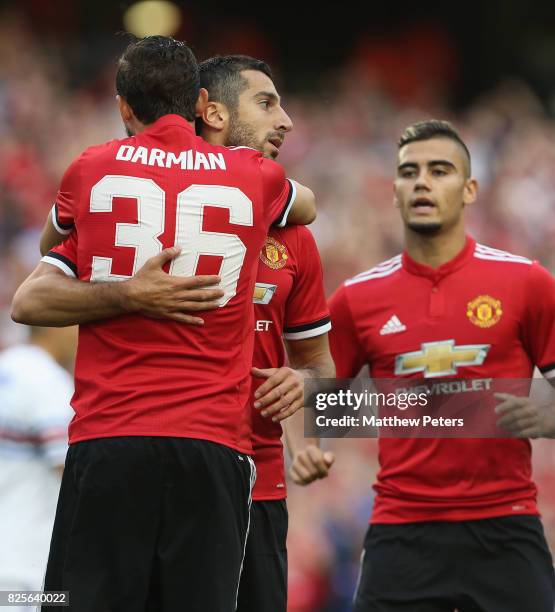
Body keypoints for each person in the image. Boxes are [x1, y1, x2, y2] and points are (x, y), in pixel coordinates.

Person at [13, 52, 334, 612]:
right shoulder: (255, 186)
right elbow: (33, 293)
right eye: (266, 103)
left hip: (261, 482)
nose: (285, 120)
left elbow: (326, 374)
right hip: (211, 457)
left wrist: (314, 421)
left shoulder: (297, 239)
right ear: (206, 109)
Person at [328, 120, 555, 611]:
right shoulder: (355, 298)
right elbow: (327, 408)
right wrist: (321, 445)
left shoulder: (527, 283)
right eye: (409, 172)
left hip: (505, 524)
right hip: (401, 529)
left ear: (470, 188)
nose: (422, 182)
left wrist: (549, 415)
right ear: (393, 191)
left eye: (439, 170)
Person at [0, 327, 75, 612]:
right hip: (23, 565)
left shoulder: (7, 364)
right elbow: (70, 471)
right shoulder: (46, 381)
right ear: (58, 325)